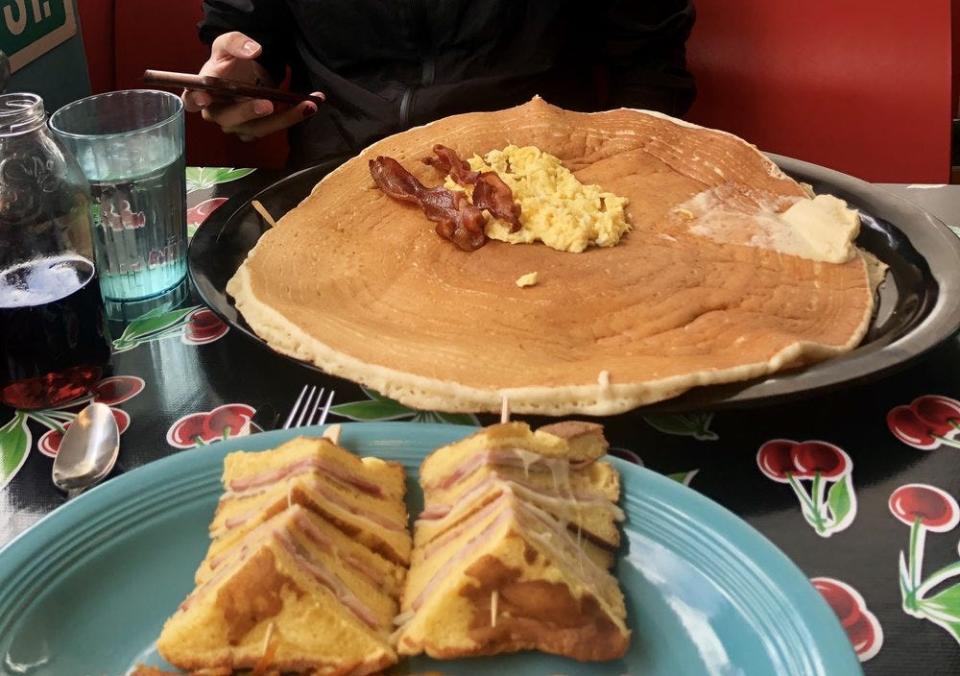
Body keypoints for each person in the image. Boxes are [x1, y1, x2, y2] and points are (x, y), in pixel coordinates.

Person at [185, 1, 695, 168]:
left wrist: (620, 168)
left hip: (548, 173)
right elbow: (252, 38)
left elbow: (651, 60)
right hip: (341, 170)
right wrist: (246, 84)